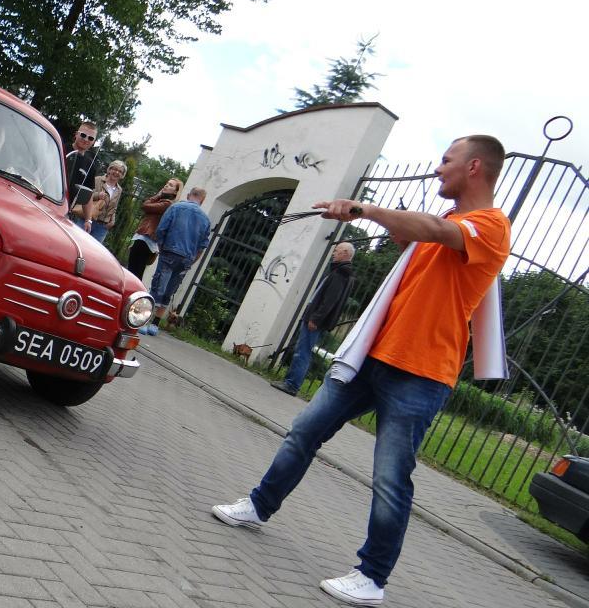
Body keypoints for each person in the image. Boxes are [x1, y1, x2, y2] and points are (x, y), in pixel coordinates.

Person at [212, 136, 511, 607]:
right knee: (304, 432)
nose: (438, 168)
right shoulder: (450, 221)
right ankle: (258, 506)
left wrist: (365, 210)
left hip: (421, 372)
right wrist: (393, 229)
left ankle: (372, 578)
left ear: (474, 167)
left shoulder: (490, 226)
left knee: (391, 478)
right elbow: (420, 245)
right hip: (373, 356)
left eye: (446, 160)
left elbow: (433, 230)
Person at [272, 242, 356, 396]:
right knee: (303, 350)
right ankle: (291, 382)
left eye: (336, 251)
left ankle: (292, 384)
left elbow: (329, 300)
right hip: (318, 318)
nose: (333, 253)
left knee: (302, 351)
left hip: (316, 320)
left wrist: (316, 318)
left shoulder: (340, 274)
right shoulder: (343, 273)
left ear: (345, 253)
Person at [142, 187, 210, 335]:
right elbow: (202, 246)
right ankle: (155, 324)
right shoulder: (205, 219)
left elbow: (161, 229)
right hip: (187, 258)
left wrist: (162, 246)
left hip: (170, 251)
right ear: (203, 200)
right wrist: (192, 260)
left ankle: (144, 321)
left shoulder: (176, 207)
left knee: (158, 287)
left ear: (188, 195)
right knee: (169, 290)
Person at [127, 178, 182, 280]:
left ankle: (133, 289)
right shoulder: (162, 200)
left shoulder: (167, 204)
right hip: (144, 237)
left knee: (135, 271)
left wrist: (157, 195)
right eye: (167, 183)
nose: (166, 185)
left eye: (170, 185)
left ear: (175, 192)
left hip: (147, 239)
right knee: (133, 269)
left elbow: (145, 206)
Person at [64, 121, 100, 222]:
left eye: (90, 138)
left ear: (93, 142)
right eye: (83, 135)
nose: (86, 139)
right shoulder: (61, 148)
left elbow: (88, 194)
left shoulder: (91, 165)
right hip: (43, 198)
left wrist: (88, 220)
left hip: (65, 210)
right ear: (76, 134)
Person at [83, 160, 126, 244]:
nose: (117, 172)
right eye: (114, 169)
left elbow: (114, 207)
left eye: (120, 171)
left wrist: (112, 221)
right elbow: (85, 196)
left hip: (102, 227)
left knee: (93, 250)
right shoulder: (97, 179)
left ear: (122, 175)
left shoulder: (119, 189)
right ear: (109, 169)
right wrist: (97, 195)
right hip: (87, 219)